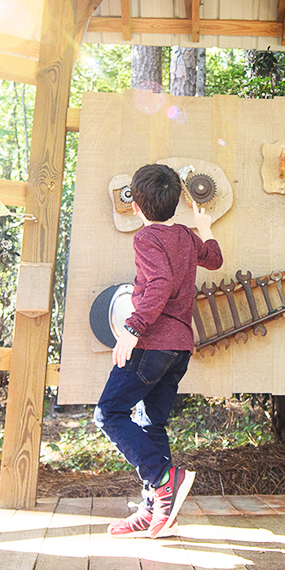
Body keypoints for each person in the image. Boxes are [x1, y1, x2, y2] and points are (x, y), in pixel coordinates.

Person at [101, 163, 222, 538]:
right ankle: (155, 510)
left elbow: (160, 284)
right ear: (175, 203)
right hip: (179, 349)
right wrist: (204, 228)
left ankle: (163, 479)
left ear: (136, 206)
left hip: (152, 344)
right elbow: (214, 259)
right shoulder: (185, 235)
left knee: (109, 413)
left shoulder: (146, 239)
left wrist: (132, 329)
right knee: (149, 423)